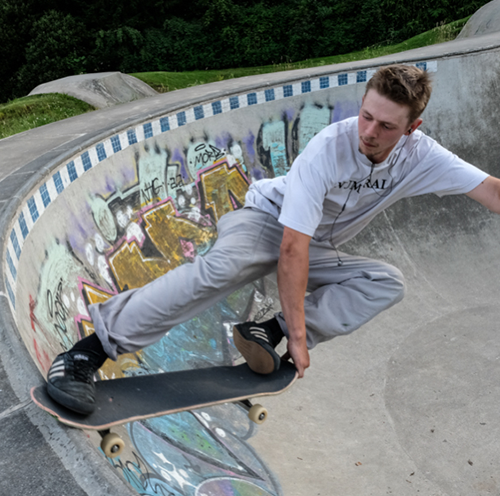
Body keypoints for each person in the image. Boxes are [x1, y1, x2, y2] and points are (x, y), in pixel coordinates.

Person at [46, 64, 500, 415]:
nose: (370, 132)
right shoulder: (329, 148)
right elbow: (290, 249)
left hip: (316, 245)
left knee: (386, 282)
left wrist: (290, 329)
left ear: (412, 129)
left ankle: (267, 330)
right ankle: (85, 354)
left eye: (387, 127)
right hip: (266, 221)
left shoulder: (423, 157)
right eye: (366, 117)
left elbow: (491, 191)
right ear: (361, 104)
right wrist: (300, 340)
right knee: (219, 270)